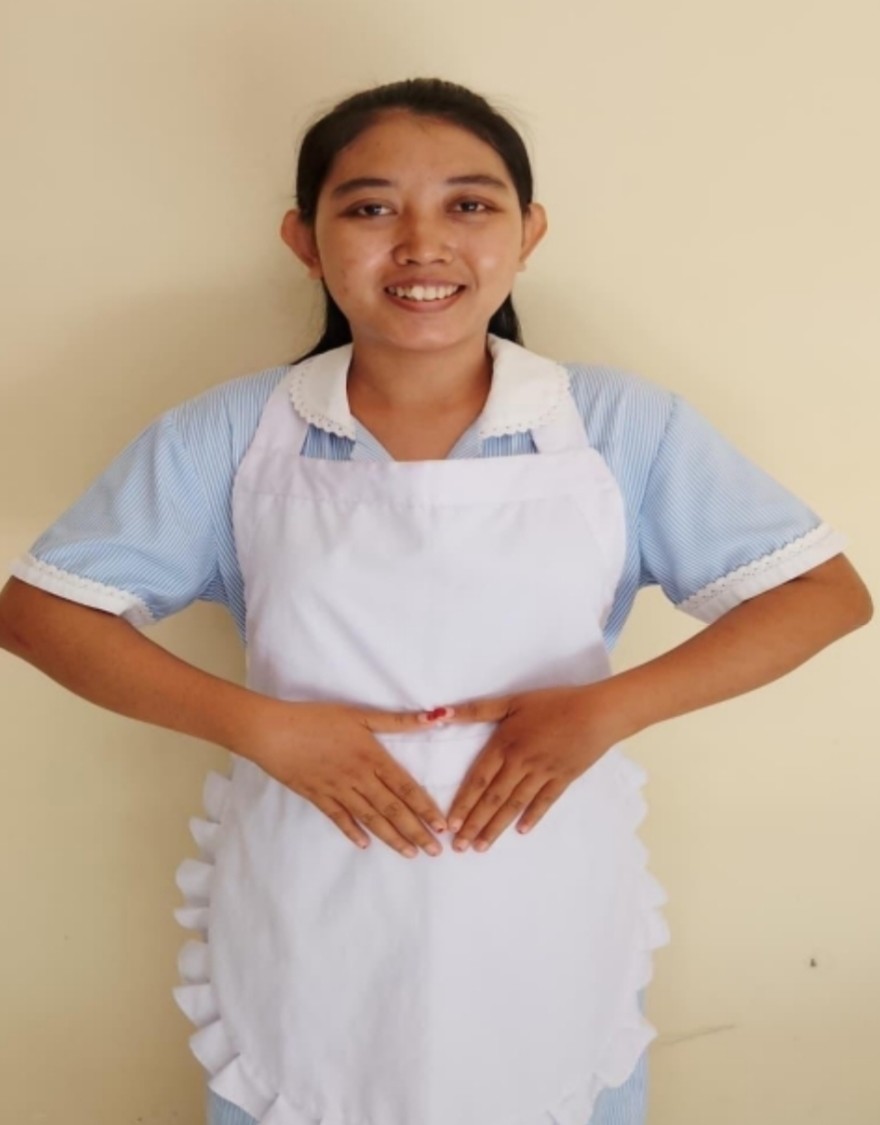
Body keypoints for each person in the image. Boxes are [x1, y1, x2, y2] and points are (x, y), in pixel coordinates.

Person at [0, 77, 871, 1125]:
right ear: (305, 239)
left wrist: (604, 710)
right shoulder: (232, 435)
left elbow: (821, 593)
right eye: (370, 207)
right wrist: (263, 728)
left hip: (541, 888)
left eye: (469, 204)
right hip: (314, 893)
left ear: (528, 232)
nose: (421, 244)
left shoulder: (618, 426)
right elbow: (39, 611)